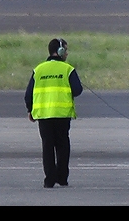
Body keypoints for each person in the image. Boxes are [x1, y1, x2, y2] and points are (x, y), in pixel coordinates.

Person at [25, 37, 82, 188]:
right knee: (63, 146)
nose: (67, 54)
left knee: (47, 146)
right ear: (60, 51)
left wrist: (30, 110)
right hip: (62, 115)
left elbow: (28, 94)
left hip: (44, 116)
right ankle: (62, 178)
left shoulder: (38, 70)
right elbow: (78, 90)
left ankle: (49, 180)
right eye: (66, 50)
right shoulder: (68, 69)